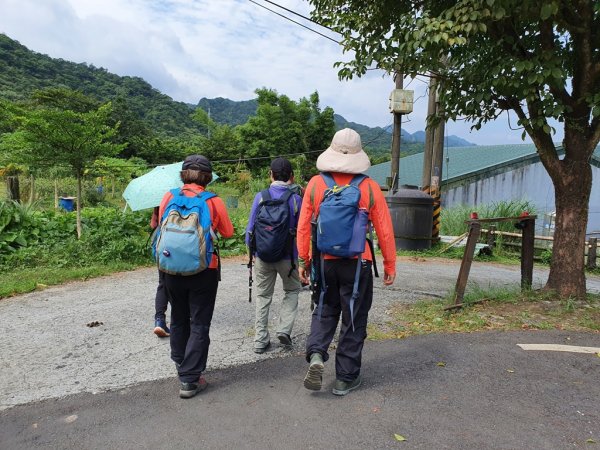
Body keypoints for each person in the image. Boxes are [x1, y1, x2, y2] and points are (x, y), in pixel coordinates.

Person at [297, 128, 396, 396]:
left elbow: (304, 227)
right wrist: (389, 265)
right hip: (357, 263)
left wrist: (303, 261)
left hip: (325, 261)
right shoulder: (369, 187)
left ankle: (317, 353)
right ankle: (345, 378)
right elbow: (385, 230)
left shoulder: (316, 185)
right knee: (353, 318)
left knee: (325, 309)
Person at [158, 154, 234, 399]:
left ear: (183, 174)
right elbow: (228, 232)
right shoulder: (212, 201)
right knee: (199, 322)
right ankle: (190, 379)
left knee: (179, 318)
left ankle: (181, 364)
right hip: (204, 269)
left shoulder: (169, 196)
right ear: (208, 177)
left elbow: (159, 223)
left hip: (170, 268)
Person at [246, 157, 303, 354]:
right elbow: (303, 231)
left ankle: (260, 340)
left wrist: (252, 253)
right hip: (288, 257)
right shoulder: (296, 199)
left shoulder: (261, 197)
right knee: (292, 291)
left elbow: (250, 229)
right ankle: (284, 329)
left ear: (271, 174)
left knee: (263, 295)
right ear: (292, 177)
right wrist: (304, 258)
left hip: (263, 255)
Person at [150, 206, 170, 338]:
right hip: (184, 250)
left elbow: (153, 225)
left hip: (162, 248)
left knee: (163, 284)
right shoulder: (188, 198)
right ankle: (186, 317)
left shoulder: (161, 200)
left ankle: (159, 320)